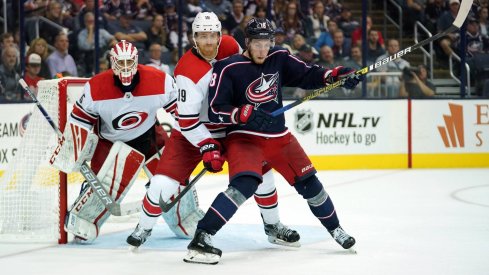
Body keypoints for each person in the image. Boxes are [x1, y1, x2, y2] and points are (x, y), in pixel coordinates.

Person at [184, 17, 361, 265]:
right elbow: (215, 109)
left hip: (279, 137)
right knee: (244, 185)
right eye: (257, 43)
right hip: (244, 138)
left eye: (267, 42)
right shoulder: (227, 67)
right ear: (247, 42)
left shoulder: (279, 57)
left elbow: (308, 75)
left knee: (311, 185)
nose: (262, 49)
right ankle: (202, 236)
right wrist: (239, 113)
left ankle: (336, 229)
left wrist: (336, 75)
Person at [126, 12, 300, 249]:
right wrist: (207, 145)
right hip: (193, 133)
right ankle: (143, 228)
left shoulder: (230, 45)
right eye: (202, 36)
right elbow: (186, 120)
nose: (208, 41)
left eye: (212, 35)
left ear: (220, 35)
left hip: (232, 128)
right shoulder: (186, 70)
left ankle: (273, 226)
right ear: (193, 38)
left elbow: (250, 70)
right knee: (160, 186)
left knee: (263, 177)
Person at [49, 40, 178, 242]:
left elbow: (182, 113)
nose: (125, 69)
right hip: (109, 143)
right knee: (103, 188)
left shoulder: (160, 80)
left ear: (136, 61)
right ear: (112, 62)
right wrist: (71, 147)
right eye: (120, 63)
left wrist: (199, 135)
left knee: (172, 181)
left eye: (129, 63)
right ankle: (84, 217)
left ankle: (183, 216)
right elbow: (81, 120)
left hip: (149, 138)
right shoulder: (96, 87)